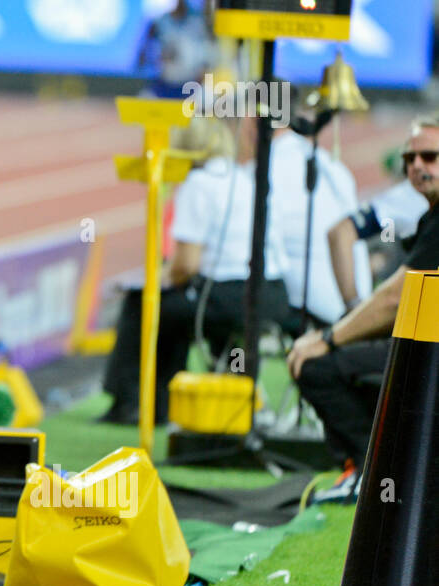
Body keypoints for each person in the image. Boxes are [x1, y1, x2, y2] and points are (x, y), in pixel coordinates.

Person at [98, 115, 295, 424]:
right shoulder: (243, 177)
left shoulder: (198, 183)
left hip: (235, 298)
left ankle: (132, 402)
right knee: (174, 306)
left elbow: (185, 266)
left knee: (144, 303)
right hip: (274, 294)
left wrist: (154, 281)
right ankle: (160, 401)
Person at [288, 121, 439, 504]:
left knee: (315, 364)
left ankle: (367, 472)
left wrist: (330, 336)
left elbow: (397, 295)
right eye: (410, 158)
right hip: (421, 343)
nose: (418, 165)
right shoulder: (425, 216)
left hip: (428, 354)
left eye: (430, 156)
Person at [269, 123, 371, 329]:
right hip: (358, 300)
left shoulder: (269, 167)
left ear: (254, 119)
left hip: (315, 306)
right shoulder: (333, 164)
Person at [136, 0, 209, 97]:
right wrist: (156, 57)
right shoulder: (162, 22)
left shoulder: (198, 22)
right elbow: (142, 57)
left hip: (190, 86)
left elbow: (208, 57)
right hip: (164, 84)